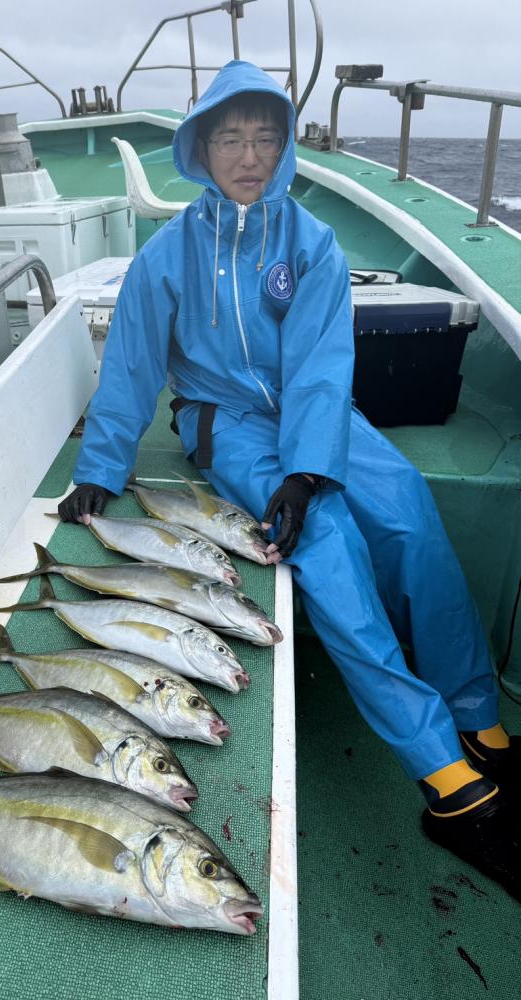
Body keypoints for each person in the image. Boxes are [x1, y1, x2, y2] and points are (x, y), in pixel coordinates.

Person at [58, 60, 519, 898]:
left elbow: (319, 365)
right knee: (329, 548)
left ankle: (475, 713)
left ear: (285, 148)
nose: (249, 155)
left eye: (266, 138)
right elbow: (130, 366)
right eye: (230, 138)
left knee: (409, 513)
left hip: (318, 412)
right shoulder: (166, 257)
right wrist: (100, 467)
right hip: (225, 421)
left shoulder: (312, 242)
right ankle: (440, 773)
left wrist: (307, 468)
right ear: (200, 148)